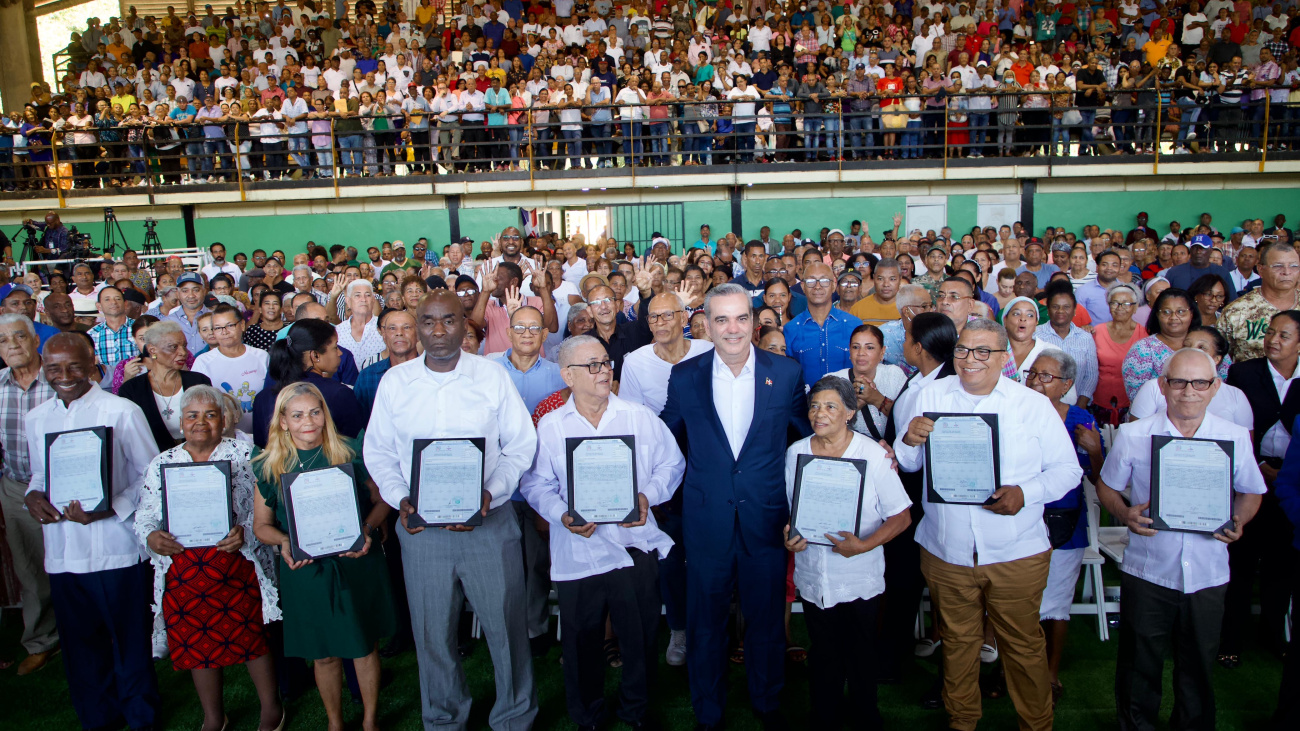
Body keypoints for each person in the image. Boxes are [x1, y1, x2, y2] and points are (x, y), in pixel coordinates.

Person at [362, 290, 539, 731]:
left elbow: (521, 445)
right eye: (428, 322)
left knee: (505, 628)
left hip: (489, 524)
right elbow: (379, 453)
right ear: (416, 327)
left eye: (449, 321)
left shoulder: (492, 376)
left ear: (466, 324)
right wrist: (401, 497)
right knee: (432, 632)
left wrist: (492, 492)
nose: (438, 331)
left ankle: (515, 715)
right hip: (422, 531)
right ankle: (443, 717)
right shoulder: (395, 384)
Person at [895, 318, 1083, 731]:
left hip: (1015, 550)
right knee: (959, 643)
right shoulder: (929, 393)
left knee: (1022, 644)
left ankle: (1036, 724)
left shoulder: (1030, 404)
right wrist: (909, 439)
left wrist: (1025, 492)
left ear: (1004, 358)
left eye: (983, 352)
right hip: (946, 548)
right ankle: (962, 720)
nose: (969, 360)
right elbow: (908, 464)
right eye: (962, 350)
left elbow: (1068, 471)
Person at [659, 282, 811, 729]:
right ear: (705, 323)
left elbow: (806, 442)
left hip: (766, 519)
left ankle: (767, 703)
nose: (732, 328)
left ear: (755, 320)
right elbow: (665, 439)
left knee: (766, 622)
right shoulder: (685, 376)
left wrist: (861, 451)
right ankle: (708, 711)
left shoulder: (784, 373)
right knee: (706, 624)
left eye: (741, 318)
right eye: (721, 319)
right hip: (706, 521)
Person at [1096, 348, 1264, 731]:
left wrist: (1241, 519)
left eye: (1200, 382)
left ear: (1215, 387)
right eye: (1179, 381)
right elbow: (1106, 486)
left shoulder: (1234, 436)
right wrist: (1124, 513)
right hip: (1148, 567)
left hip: (1208, 571)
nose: (1189, 391)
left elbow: (1252, 491)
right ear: (1162, 385)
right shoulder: (1135, 434)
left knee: (1199, 666)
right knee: (1140, 663)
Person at [521, 335, 685, 730]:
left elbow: (672, 464)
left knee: (641, 638)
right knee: (579, 643)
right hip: (578, 551)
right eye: (592, 365)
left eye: (606, 363)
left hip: (634, 545)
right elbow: (535, 484)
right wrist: (561, 514)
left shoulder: (638, 415)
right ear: (567, 375)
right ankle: (588, 716)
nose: (603, 370)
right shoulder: (551, 426)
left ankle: (637, 711)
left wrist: (646, 497)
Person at [23, 333, 161, 731]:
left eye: (74, 366)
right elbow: (39, 474)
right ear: (42, 366)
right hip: (63, 552)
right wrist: (32, 496)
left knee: (129, 643)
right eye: (53, 368)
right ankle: (98, 719)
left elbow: (150, 475)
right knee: (81, 648)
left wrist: (110, 507)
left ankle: (141, 719)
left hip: (115, 548)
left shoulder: (120, 411)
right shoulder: (37, 419)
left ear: (92, 362)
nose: (64, 375)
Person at [134, 385, 284, 731]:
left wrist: (245, 529)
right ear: (181, 422)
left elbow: (269, 506)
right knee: (196, 643)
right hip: (184, 568)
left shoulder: (245, 455)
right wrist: (152, 536)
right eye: (192, 416)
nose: (200, 422)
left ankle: (271, 707)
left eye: (210, 415)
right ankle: (214, 716)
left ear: (224, 420)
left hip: (236, 564)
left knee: (251, 637)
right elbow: (144, 516)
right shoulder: (163, 462)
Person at [252, 382, 395, 731]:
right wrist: (284, 542)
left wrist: (368, 530)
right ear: (283, 421)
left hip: (355, 561)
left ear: (324, 414)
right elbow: (261, 525)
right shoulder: (269, 465)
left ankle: (370, 721)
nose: (308, 421)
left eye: (315, 412)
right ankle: (334, 722)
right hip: (305, 569)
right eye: (297, 414)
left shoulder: (351, 452)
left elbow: (383, 501)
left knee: (363, 645)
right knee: (323, 652)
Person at [782, 375, 910, 730]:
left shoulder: (871, 454)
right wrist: (789, 535)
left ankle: (866, 716)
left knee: (860, 654)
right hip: (813, 574)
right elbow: (791, 514)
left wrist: (864, 545)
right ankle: (824, 716)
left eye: (830, 406)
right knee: (823, 653)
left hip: (858, 575)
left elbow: (902, 516)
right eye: (814, 406)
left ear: (850, 413)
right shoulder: (796, 453)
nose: (819, 414)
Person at [618, 291, 714, 666]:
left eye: (666, 316)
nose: (659, 324)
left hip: (706, 464)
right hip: (661, 470)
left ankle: (711, 627)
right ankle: (679, 629)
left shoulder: (707, 351)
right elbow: (634, 422)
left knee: (707, 551)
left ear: (683, 316)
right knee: (671, 554)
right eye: (652, 318)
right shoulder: (635, 363)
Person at [1219, 310, 1300, 668]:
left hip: (1293, 481)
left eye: (1283, 335)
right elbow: (1232, 425)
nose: (1272, 340)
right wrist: (1258, 466)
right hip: (1249, 474)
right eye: (1269, 332)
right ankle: (1230, 638)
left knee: (1282, 563)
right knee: (1240, 559)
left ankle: (1271, 634)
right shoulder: (1244, 372)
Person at [1022, 349, 1103, 702]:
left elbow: (1101, 481)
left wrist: (1096, 452)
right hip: (1019, 516)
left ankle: (1050, 674)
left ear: (1067, 385)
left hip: (1063, 521)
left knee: (1055, 604)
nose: (1036, 383)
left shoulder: (1080, 419)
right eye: (1032, 374)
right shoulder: (1015, 411)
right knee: (1014, 599)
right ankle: (1010, 669)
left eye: (1046, 377)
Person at [490, 305, 566, 651]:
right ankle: (504, 631)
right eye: (519, 327)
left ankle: (535, 630)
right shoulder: (487, 369)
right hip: (495, 486)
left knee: (537, 563)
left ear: (544, 334)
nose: (526, 334)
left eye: (534, 328)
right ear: (509, 330)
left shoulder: (558, 374)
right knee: (501, 567)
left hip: (541, 487)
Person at [0, 314, 59, 675]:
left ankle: (88, 633)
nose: (11, 345)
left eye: (19, 336)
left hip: (67, 490)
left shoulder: (59, 379)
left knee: (75, 567)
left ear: (35, 340)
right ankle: (40, 641)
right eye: (3, 340)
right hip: (16, 488)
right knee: (30, 570)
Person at [252, 317, 363, 446]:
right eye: (335, 347)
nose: (339, 353)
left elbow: (261, 450)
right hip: (330, 465)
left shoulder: (262, 398)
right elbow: (355, 447)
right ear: (315, 356)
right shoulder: (340, 394)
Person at [1128, 326, 1252, 428]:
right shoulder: (1154, 387)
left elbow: (1243, 446)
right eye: (1187, 345)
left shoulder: (1235, 395)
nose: (1192, 351)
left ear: (1217, 359)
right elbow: (1135, 436)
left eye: (1201, 347)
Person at [119, 320, 212, 449]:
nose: (183, 353)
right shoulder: (131, 390)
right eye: (173, 347)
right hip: (151, 459)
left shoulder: (200, 382)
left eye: (184, 346)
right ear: (152, 350)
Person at [1123, 287, 1211, 400]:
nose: (1173, 317)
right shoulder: (1142, 349)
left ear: (1192, 313)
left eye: (1180, 312)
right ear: (1157, 315)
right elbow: (1137, 397)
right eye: (1166, 312)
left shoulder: (1207, 343)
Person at [192, 304, 269, 434]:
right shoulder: (203, 362)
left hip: (262, 431)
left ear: (242, 325)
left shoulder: (261, 356)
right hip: (222, 436)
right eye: (218, 328)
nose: (224, 332)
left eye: (230, 325)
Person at [1220, 242, 1300, 362]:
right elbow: (1221, 359)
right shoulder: (1236, 311)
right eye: (1278, 266)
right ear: (1261, 269)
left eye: (1294, 266)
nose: (1287, 272)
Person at [785, 262, 862, 387]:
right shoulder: (791, 329)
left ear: (833, 285)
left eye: (824, 280)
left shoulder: (855, 325)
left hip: (847, 403)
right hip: (806, 404)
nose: (817, 286)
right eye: (811, 281)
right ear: (803, 286)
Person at [828, 324, 906, 444]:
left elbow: (907, 418)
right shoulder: (833, 380)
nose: (861, 353)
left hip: (889, 452)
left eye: (869, 348)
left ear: (882, 351)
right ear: (849, 350)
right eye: (855, 347)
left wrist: (875, 398)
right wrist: (855, 405)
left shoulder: (894, 375)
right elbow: (826, 426)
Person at [1034, 283, 1100, 408]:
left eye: (1066, 307)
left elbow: (1091, 375)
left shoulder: (1085, 338)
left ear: (1075, 310)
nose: (1060, 311)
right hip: (1041, 405)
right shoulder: (1036, 334)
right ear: (1048, 309)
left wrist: (1079, 406)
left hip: (1077, 405)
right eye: (1055, 307)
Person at [353, 309, 419, 424]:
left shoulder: (432, 372)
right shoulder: (368, 376)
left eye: (407, 327)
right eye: (392, 328)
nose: (399, 333)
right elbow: (359, 424)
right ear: (384, 335)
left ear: (418, 334)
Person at [1093, 282, 1148, 419]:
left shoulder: (1145, 334)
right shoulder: (1096, 331)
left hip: (1133, 403)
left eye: (1126, 304)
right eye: (1115, 303)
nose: (1120, 308)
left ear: (1135, 308)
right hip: (1098, 400)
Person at [1162, 234, 1238, 299]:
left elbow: (1231, 300)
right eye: (1195, 248)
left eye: (1202, 248)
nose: (1198, 252)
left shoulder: (1222, 272)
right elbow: (1163, 299)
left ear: (1210, 250)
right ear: (1190, 250)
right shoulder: (1174, 272)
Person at [334, 279, 385, 365]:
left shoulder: (384, 327)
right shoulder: (338, 331)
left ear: (373, 300)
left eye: (368, 295)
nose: (363, 299)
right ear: (348, 301)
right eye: (357, 295)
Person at [87, 286, 137, 370]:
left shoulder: (139, 327)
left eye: (117, 299)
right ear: (99, 306)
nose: (113, 302)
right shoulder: (92, 334)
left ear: (125, 303)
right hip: (107, 382)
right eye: (107, 299)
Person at [167, 272, 214, 353]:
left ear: (204, 291)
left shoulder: (216, 318)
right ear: (177, 294)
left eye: (196, 290)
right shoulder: (167, 322)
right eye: (185, 291)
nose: (191, 295)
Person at [849, 258, 903, 325]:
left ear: (900, 279)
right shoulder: (857, 309)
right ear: (874, 278)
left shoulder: (909, 309)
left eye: (892, 279)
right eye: (880, 279)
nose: (886, 284)